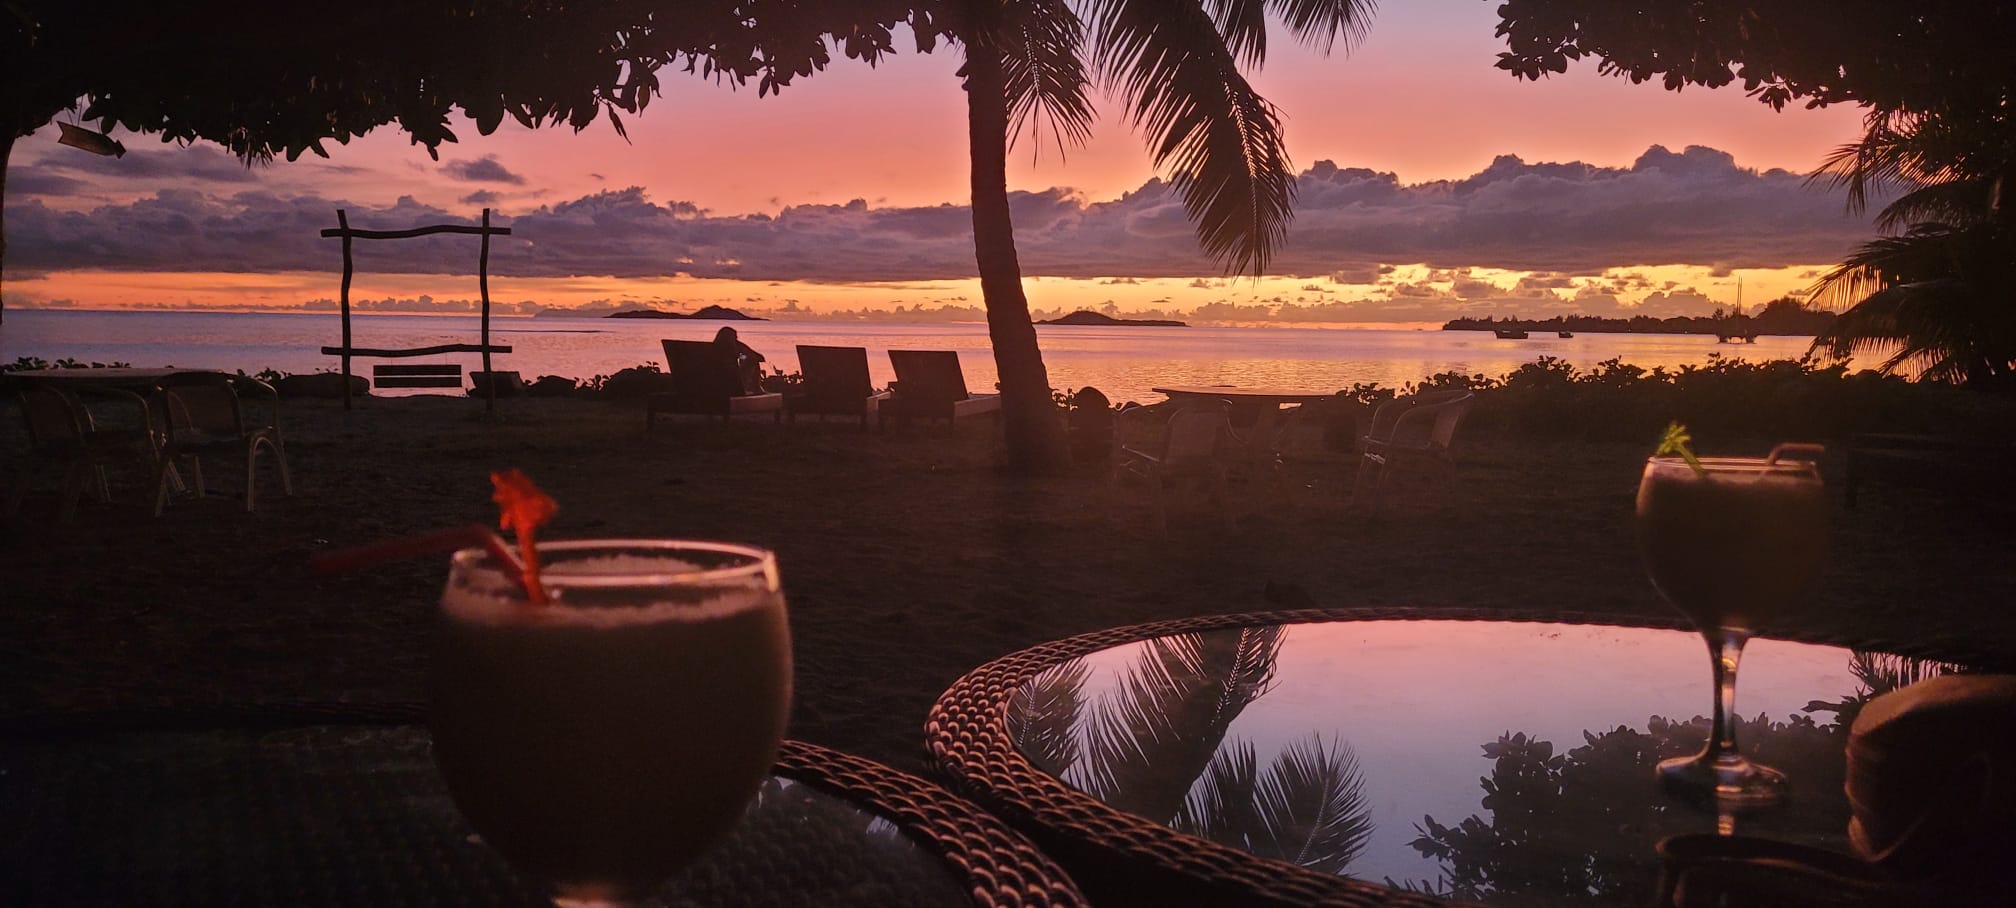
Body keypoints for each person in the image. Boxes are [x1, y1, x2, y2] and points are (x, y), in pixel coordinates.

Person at [712, 326, 766, 394]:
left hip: (714, 382)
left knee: (749, 358)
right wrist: (745, 356)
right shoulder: (729, 352)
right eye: (735, 338)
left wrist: (743, 354)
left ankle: (755, 388)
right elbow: (757, 357)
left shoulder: (710, 350)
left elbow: (744, 356)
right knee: (751, 359)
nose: (736, 341)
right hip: (730, 384)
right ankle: (756, 388)